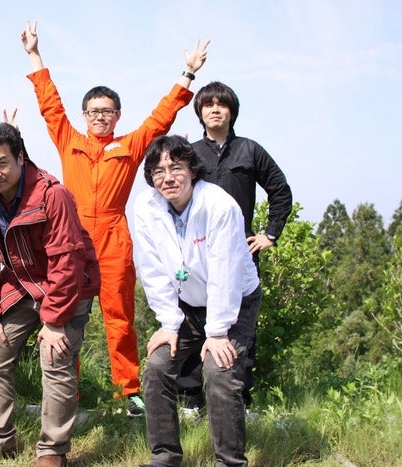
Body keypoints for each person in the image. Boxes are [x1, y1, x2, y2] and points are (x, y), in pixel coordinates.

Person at [20, 20, 209, 416]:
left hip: (112, 236)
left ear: (118, 115)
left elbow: (160, 119)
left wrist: (188, 73)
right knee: (66, 314)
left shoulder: (130, 145)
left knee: (119, 318)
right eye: (94, 111)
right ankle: (66, 391)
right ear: (84, 114)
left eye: (107, 111)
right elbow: (49, 104)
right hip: (70, 237)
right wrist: (35, 55)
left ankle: (129, 391)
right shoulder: (69, 139)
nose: (100, 117)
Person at [0, 123, 100, 467]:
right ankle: (0, 440)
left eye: (2, 163)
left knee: (55, 356)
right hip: (22, 285)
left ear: (20, 158)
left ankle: (53, 450)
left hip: (68, 286)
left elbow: (67, 259)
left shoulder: (53, 194)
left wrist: (54, 322)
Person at [133, 135, 262, 467]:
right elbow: (151, 269)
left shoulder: (218, 205)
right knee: (157, 367)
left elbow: (225, 272)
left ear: (192, 170)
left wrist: (217, 332)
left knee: (218, 370)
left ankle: (229, 462)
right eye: (158, 171)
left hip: (235, 301)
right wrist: (168, 323)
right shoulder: (145, 208)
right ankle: (165, 456)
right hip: (187, 304)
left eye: (176, 167)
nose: (168, 177)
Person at [175, 81, 293, 412]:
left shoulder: (249, 150)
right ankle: (191, 401)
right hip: (196, 254)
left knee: (240, 329)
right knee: (192, 324)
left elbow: (280, 190)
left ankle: (239, 400)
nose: (215, 109)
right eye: (208, 104)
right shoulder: (191, 153)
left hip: (239, 254)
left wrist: (270, 234)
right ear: (200, 112)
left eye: (222, 104)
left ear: (232, 111)